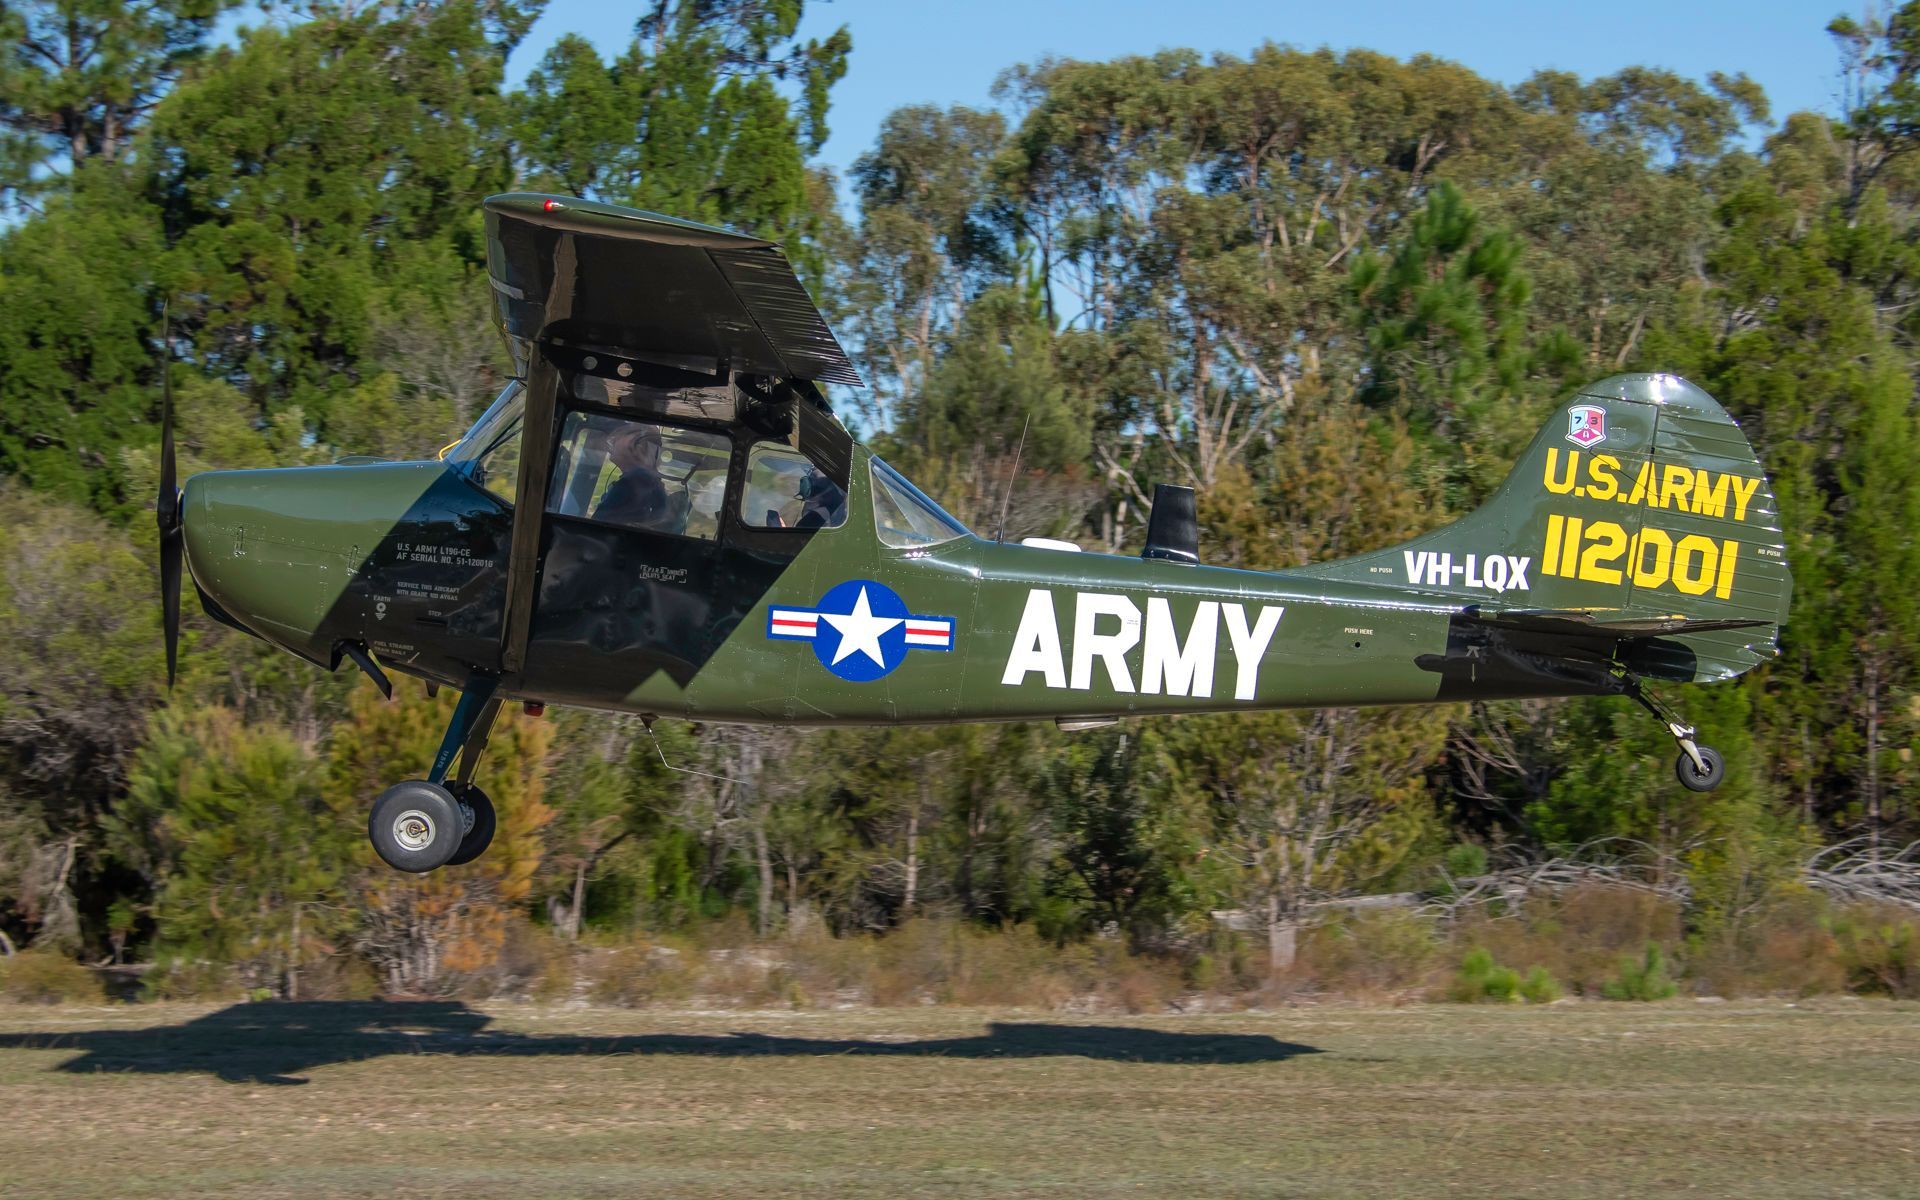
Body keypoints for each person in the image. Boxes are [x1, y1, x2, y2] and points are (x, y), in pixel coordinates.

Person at [591, 422, 672, 531]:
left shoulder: (632, 482)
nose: (612, 442)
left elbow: (595, 526)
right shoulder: (647, 480)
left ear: (638, 445)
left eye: (618, 438)